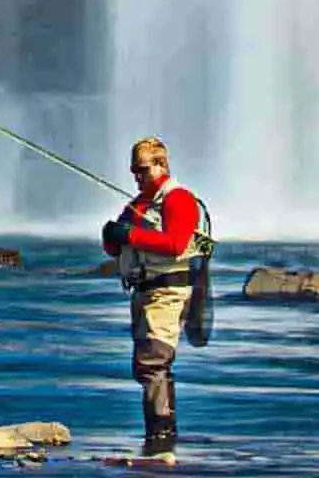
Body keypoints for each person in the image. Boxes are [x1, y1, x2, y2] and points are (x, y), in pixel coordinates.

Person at [101, 136, 203, 462]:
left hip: (168, 293)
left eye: (142, 169)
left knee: (153, 363)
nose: (137, 176)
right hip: (144, 293)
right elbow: (117, 248)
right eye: (134, 170)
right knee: (148, 365)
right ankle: (160, 439)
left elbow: (175, 243)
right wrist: (112, 237)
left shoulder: (179, 199)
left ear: (161, 164)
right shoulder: (138, 204)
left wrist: (129, 234)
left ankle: (160, 439)